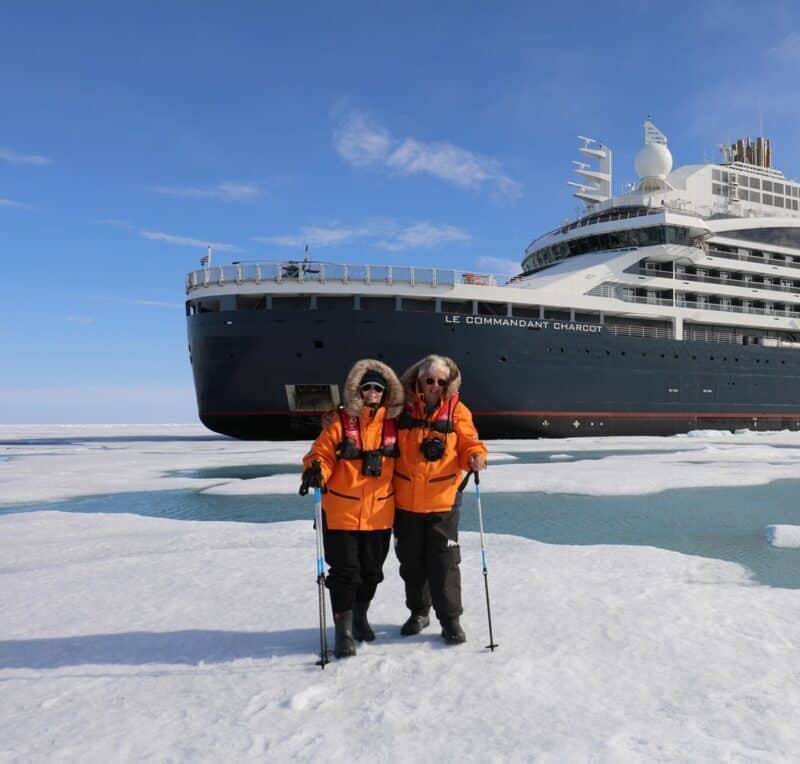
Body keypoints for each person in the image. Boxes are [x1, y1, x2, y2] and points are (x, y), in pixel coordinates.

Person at [301, 359, 404, 658]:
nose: (372, 392)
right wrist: (315, 469)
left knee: (371, 573)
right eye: (367, 387)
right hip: (341, 511)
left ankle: (360, 618)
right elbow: (320, 452)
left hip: (379, 513)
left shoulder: (394, 424)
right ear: (357, 390)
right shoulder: (339, 422)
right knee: (346, 573)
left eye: (378, 388)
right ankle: (343, 632)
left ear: (385, 393)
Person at [393, 354, 487, 645]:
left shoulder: (458, 411)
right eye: (429, 380)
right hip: (405, 502)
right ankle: (419, 612)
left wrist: (476, 456)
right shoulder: (400, 410)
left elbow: (470, 441)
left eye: (440, 381)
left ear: (448, 383)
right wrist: (333, 417)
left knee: (445, 563)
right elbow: (369, 426)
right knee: (411, 563)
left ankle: (450, 620)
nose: (434, 385)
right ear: (419, 381)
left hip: (443, 502)